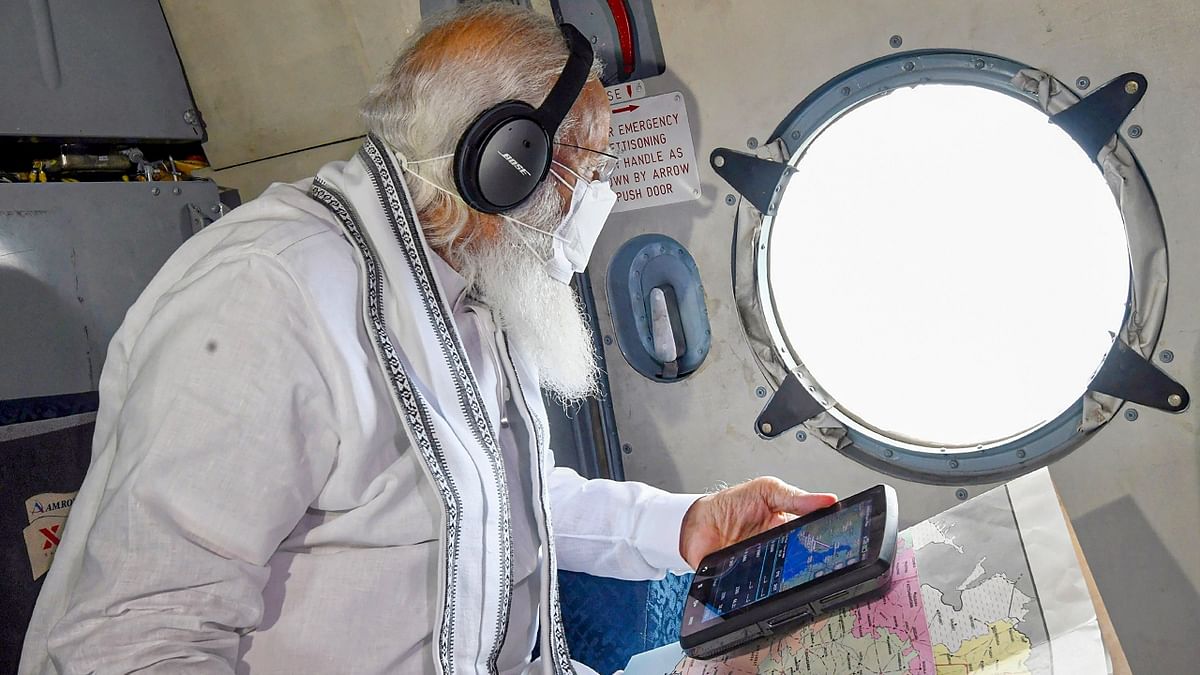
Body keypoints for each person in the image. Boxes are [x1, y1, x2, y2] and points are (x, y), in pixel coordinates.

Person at [19, 5, 835, 674]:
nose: (596, 202)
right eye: (588, 170)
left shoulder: (464, 278)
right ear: (508, 162)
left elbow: (491, 499)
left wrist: (688, 525)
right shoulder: (268, 295)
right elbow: (127, 644)